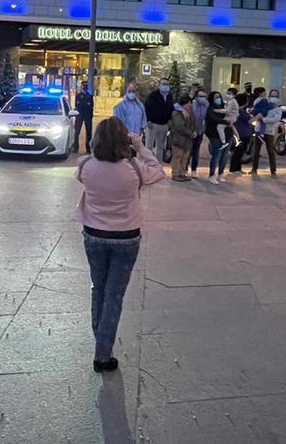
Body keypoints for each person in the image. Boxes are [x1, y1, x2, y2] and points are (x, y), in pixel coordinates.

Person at [75, 117, 165, 372]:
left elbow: (80, 178)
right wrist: (141, 146)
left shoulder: (86, 166)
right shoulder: (134, 169)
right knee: (114, 295)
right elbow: (158, 171)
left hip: (93, 235)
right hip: (126, 238)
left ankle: (100, 344)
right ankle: (103, 353)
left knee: (98, 289)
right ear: (124, 140)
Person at [249, 88, 281, 176]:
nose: (273, 97)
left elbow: (275, 119)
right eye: (272, 95)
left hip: (270, 132)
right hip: (259, 130)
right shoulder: (263, 103)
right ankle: (254, 168)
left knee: (271, 150)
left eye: (275, 96)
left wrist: (264, 119)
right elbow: (255, 110)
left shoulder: (278, 109)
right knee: (256, 150)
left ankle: (273, 170)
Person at [143, 79, 174, 162]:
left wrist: (170, 120)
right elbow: (147, 107)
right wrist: (148, 120)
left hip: (164, 125)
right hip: (153, 124)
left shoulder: (169, 96)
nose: (165, 86)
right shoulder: (153, 95)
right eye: (163, 84)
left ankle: (158, 164)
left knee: (160, 146)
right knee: (149, 145)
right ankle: (147, 163)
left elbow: (171, 108)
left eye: (167, 84)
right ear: (159, 85)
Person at [205, 91, 229, 184]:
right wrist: (226, 121)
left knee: (224, 155)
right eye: (216, 97)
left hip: (226, 133)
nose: (218, 99)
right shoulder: (210, 109)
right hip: (214, 134)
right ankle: (211, 175)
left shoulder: (225, 107)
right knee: (217, 154)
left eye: (219, 97)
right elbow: (213, 118)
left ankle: (221, 174)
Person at [168, 95, 194, 182]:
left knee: (185, 157)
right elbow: (179, 126)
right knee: (177, 157)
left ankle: (182, 173)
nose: (191, 105)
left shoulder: (189, 113)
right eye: (189, 103)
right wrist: (190, 133)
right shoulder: (177, 113)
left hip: (187, 140)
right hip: (178, 139)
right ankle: (175, 174)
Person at [229, 89, 254, 173]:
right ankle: (234, 168)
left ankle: (237, 168)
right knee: (238, 152)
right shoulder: (241, 112)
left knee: (239, 152)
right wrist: (258, 116)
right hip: (242, 134)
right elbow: (250, 120)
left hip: (241, 133)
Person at [188, 89, 208, 177]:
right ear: (196, 97)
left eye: (204, 96)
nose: (202, 98)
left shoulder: (206, 105)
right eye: (200, 96)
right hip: (191, 131)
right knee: (188, 150)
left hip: (200, 131)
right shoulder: (191, 105)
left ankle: (194, 170)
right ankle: (184, 167)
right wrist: (191, 130)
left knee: (196, 151)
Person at [73, 80, 95, 153]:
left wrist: (91, 116)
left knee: (88, 133)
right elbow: (76, 106)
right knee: (76, 132)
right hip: (79, 116)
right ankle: (75, 148)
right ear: (81, 87)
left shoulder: (90, 96)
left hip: (88, 116)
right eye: (83, 86)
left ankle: (88, 148)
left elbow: (92, 107)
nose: (85, 87)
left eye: (86, 86)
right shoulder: (78, 96)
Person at [216, 87, 240, 151]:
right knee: (232, 127)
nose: (227, 95)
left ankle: (223, 142)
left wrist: (217, 110)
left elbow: (227, 111)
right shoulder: (231, 101)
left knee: (220, 127)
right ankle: (238, 138)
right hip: (232, 117)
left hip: (230, 117)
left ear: (234, 95)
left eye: (229, 93)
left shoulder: (232, 101)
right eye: (227, 93)